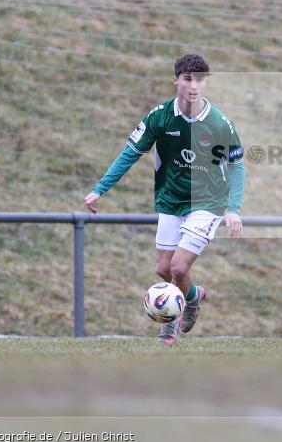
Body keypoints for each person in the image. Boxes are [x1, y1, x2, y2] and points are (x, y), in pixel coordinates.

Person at [84, 54, 245, 345]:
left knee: (178, 268)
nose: (194, 86)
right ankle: (193, 296)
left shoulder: (220, 123)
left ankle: (170, 324)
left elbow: (236, 166)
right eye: (187, 79)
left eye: (200, 79)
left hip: (207, 202)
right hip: (171, 200)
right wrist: (101, 188)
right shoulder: (159, 117)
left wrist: (232, 208)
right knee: (163, 268)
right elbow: (130, 152)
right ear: (176, 80)